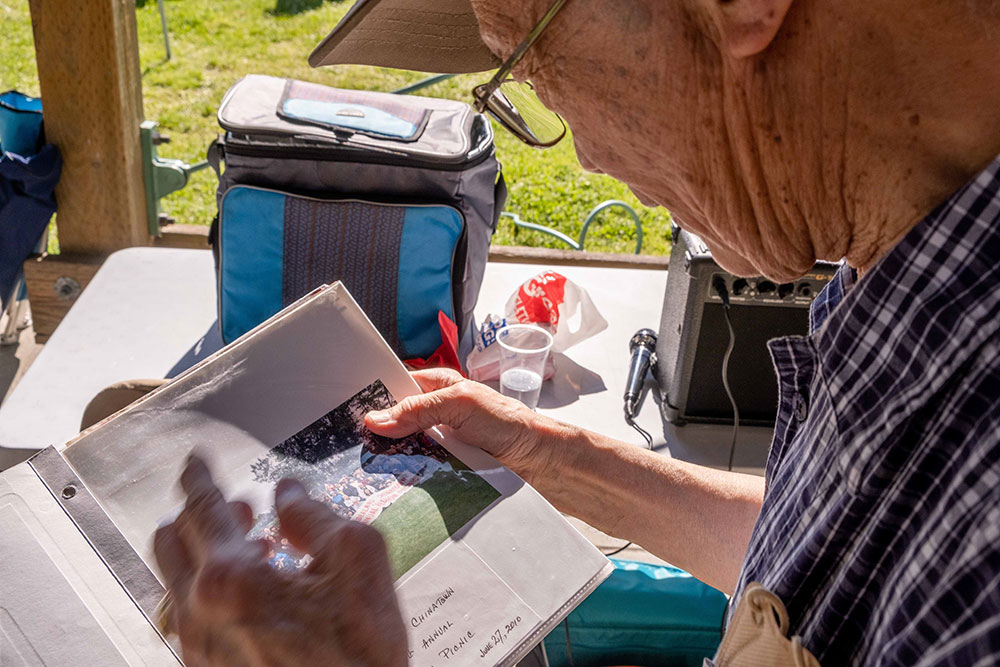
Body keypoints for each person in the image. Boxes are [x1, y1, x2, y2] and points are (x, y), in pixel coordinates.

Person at [154, 0, 1000, 664]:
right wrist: (551, 455)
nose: (587, 157)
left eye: (530, 63)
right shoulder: (909, 273)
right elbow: (827, 558)